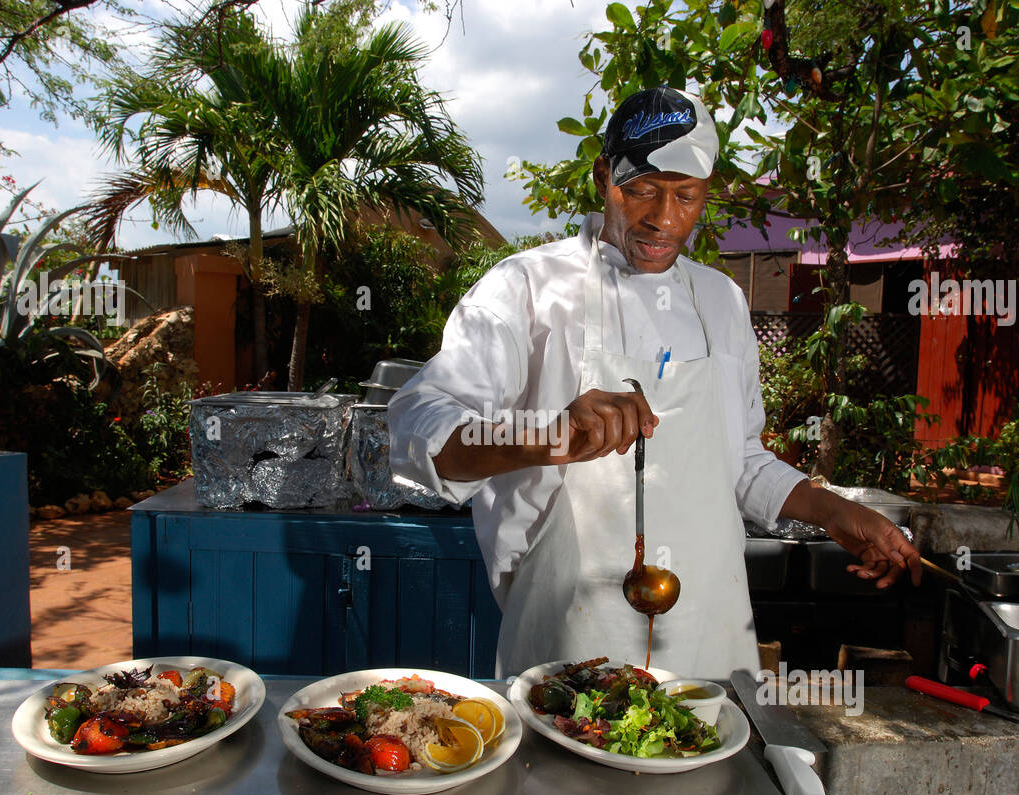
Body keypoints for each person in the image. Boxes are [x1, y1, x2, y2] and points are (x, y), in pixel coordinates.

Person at [388, 86, 921, 679]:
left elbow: (739, 459)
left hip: (711, 634)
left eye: (686, 196)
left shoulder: (721, 301)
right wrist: (549, 434)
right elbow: (417, 426)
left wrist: (832, 510)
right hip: (567, 636)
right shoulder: (526, 290)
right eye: (641, 189)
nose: (663, 219)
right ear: (602, 178)